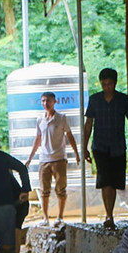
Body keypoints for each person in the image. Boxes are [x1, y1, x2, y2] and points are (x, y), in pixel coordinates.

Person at [83, 68, 128, 229]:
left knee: (114, 182)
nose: (106, 87)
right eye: (104, 84)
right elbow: (88, 125)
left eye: (109, 84)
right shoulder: (95, 100)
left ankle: (110, 214)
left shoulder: (124, 100)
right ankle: (109, 215)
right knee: (105, 180)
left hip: (118, 146)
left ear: (115, 83)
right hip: (100, 146)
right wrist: (85, 147)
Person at [25, 92, 81, 226]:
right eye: (43, 101)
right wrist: (30, 158)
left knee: (61, 189)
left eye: (48, 101)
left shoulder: (61, 118)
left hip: (59, 158)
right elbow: (37, 139)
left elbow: (70, 135)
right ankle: (45, 218)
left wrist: (76, 154)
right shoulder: (40, 120)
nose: (46, 103)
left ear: (55, 102)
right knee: (44, 190)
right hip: (44, 159)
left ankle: (60, 216)